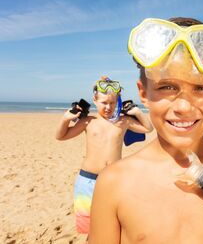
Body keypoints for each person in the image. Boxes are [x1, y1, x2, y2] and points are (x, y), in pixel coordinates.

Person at [89, 16, 203, 243]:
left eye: (202, 88)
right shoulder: (114, 182)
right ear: (143, 92)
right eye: (166, 86)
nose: (184, 107)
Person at [55, 77, 153, 236]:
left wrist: (136, 112)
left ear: (117, 102)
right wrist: (66, 119)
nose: (108, 107)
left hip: (114, 179)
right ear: (95, 100)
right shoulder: (88, 122)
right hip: (88, 180)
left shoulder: (123, 121)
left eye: (112, 103)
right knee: (88, 226)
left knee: (114, 222)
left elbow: (148, 128)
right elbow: (61, 136)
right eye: (103, 103)